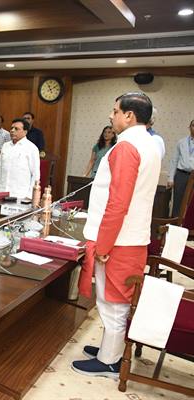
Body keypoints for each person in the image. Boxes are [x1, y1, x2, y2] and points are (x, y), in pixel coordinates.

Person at [73, 92, 161, 379]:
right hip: (133, 236)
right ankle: (108, 350)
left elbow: (118, 202)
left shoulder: (126, 147)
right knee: (117, 300)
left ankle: (110, 361)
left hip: (119, 240)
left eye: (115, 111)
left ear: (129, 116)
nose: (111, 116)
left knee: (112, 302)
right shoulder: (149, 143)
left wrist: (104, 244)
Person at [0, 118, 40, 199]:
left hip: (20, 195)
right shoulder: (5, 146)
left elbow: (35, 174)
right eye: (11, 128)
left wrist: (29, 196)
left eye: (16, 129)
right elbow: (0, 170)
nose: (12, 130)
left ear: (25, 132)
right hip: (2, 193)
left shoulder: (31, 148)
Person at [167, 119, 194, 217]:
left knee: (191, 204)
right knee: (177, 201)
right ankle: (175, 223)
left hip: (193, 176)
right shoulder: (181, 142)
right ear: (189, 127)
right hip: (181, 175)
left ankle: (188, 224)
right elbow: (174, 160)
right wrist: (170, 178)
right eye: (193, 125)